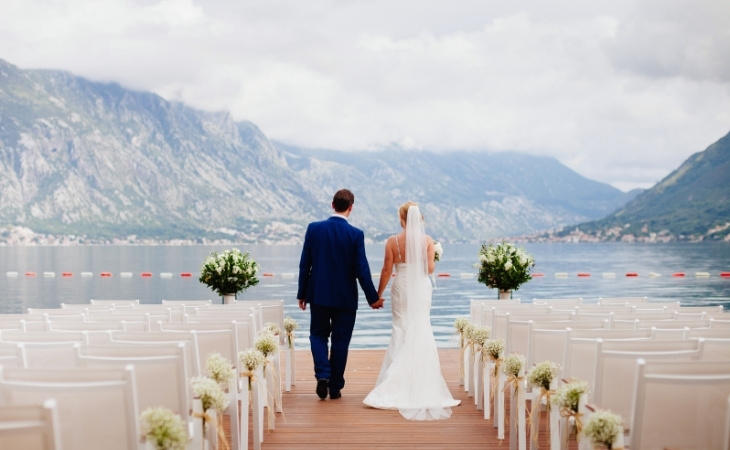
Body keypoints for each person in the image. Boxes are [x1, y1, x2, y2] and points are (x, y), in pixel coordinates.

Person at [363, 201, 460, 420]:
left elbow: (387, 269)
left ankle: (394, 381)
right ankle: (420, 382)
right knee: (421, 327)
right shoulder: (427, 241)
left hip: (401, 286)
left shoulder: (392, 241)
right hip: (420, 287)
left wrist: (378, 294)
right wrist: (433, 254)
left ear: (402, 218)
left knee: (400, 327)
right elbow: (430, 269)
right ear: (420, 218)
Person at [297, 189, 384, 400]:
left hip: (318, 294)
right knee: (340, 341)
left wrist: (302, 293)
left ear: (332, 204)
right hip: (345, 298)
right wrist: (373, 298)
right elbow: (361, 270)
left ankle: (323, 376)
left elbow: (304, 264)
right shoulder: (355, 234)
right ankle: (334, 387)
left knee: (317, 335)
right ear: (351, 207)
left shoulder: (314, 229)